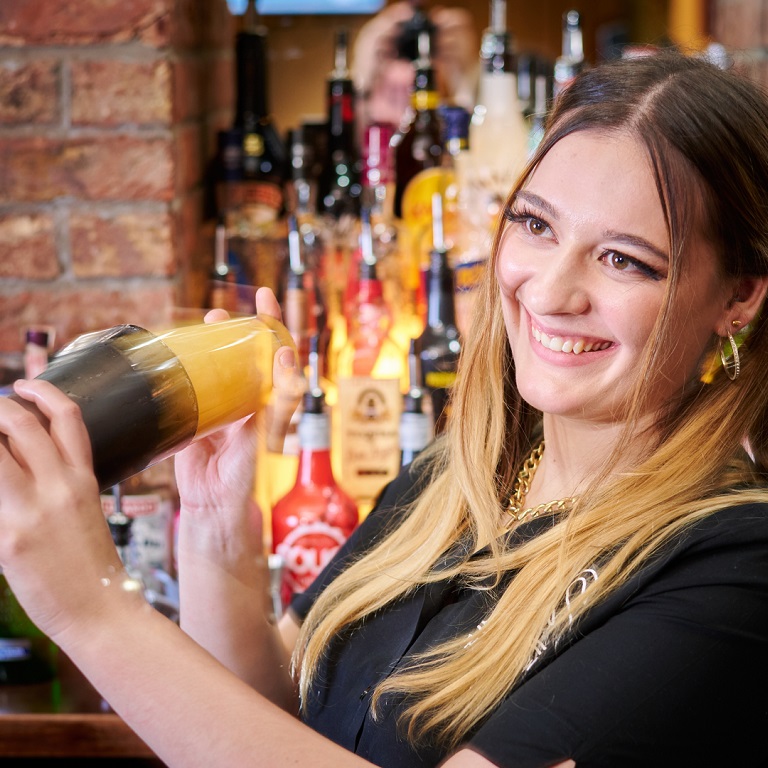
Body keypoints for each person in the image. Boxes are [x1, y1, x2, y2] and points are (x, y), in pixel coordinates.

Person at [2, 50, 768, 767]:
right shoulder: (462, 472)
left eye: (624, 259)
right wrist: (213, 528)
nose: (550, 290)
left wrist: (93, 612)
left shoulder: (734, 567)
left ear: (739, 296)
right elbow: (272, 719)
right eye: (536, 225)